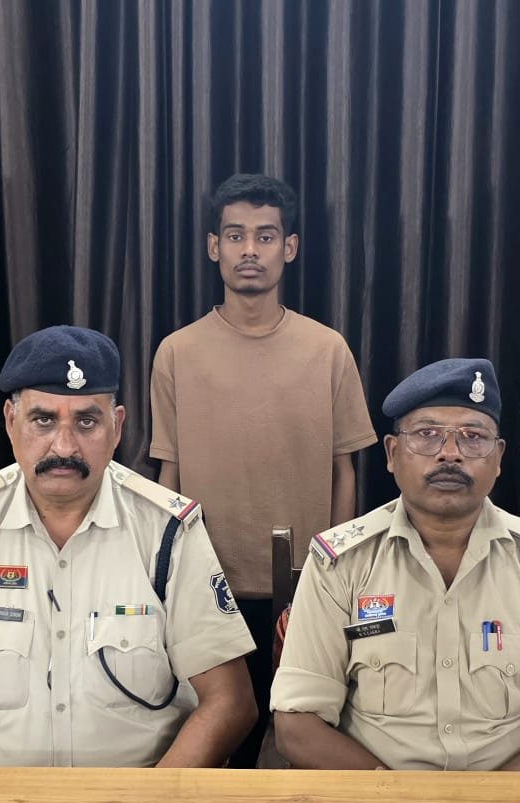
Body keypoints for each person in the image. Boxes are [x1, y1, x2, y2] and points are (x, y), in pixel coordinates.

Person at [0, 326, 258, 769]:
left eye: (86, 422)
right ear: (11, 422)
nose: (65, 446)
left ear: (117, 427)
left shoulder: (168, 531)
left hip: (133, 800)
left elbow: (229, 703)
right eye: (44, 420)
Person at [270, 358, 520, 771]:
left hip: (510, 802)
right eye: (427, 435)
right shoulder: (340, 564)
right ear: (392, 453)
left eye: (473, 437)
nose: (450, 453)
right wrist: (401, 800)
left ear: (499, 457)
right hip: (376, 800)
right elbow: (297, 725)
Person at [150, 173, 377, 768]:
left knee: (300, 740)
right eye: (235, 235)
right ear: (213, 246)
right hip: (205, 586)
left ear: (290, 247)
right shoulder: (177, 352)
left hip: (303, 589)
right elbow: (169, 475)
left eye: (266, 236)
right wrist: (164, 576)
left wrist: (334, 570)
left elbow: (345, 471)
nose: (249, 250)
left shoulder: (327, 349)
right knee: (216, 740)